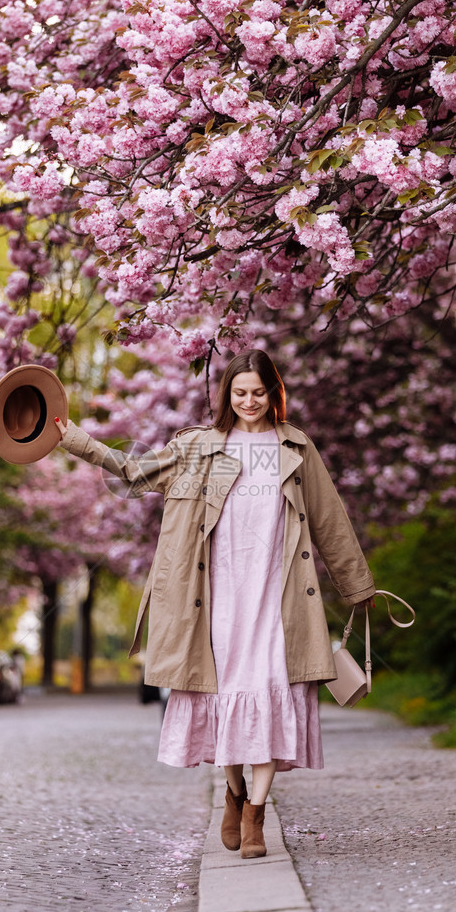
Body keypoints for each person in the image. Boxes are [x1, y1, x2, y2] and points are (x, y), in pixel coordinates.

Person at [54, 349, 375, 859]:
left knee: (270, 691)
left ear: (275, 393)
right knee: (223, 694)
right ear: (226, 394)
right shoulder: (199, 447)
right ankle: (234, 790)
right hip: (215, 598)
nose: (249, 402)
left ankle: (255, 817)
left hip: (277, 595)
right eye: (239, 392)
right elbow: (134, 473)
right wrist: (77, 441)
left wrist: (358, 587)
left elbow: (329, 517)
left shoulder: (295, 447)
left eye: (259, 392)